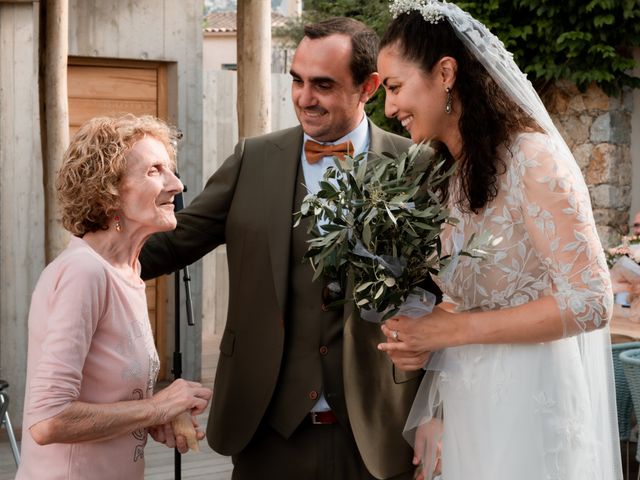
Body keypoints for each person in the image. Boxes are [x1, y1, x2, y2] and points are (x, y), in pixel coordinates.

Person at [140, 17, 440, 480]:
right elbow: (172, 243)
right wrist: (96, 247)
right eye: (297, 80)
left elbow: (447, 296)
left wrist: (436, 411)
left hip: (378, 434)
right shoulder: (252, 159)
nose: (304, 98)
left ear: (370, 87)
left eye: (322, 84)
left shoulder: (414, 167)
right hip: (266, 432)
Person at [375, 2, 622, 480]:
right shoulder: (447, 175)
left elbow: (591, 301)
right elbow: (465, 301)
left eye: (395, 87)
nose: (388, 108)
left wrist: (451, 331)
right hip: (469, 401)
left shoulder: (534, 160)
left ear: (445, 73)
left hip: (535, 403)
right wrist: (424, 346)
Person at [16, 114, 213, 480]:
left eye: (170, 169)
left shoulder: (127, 272)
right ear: (108, 190)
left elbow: (107, 400)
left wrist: (155, 420)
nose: (177, 184)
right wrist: (157, 408)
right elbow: (48, 419)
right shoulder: (83, 273)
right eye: (155, 171)